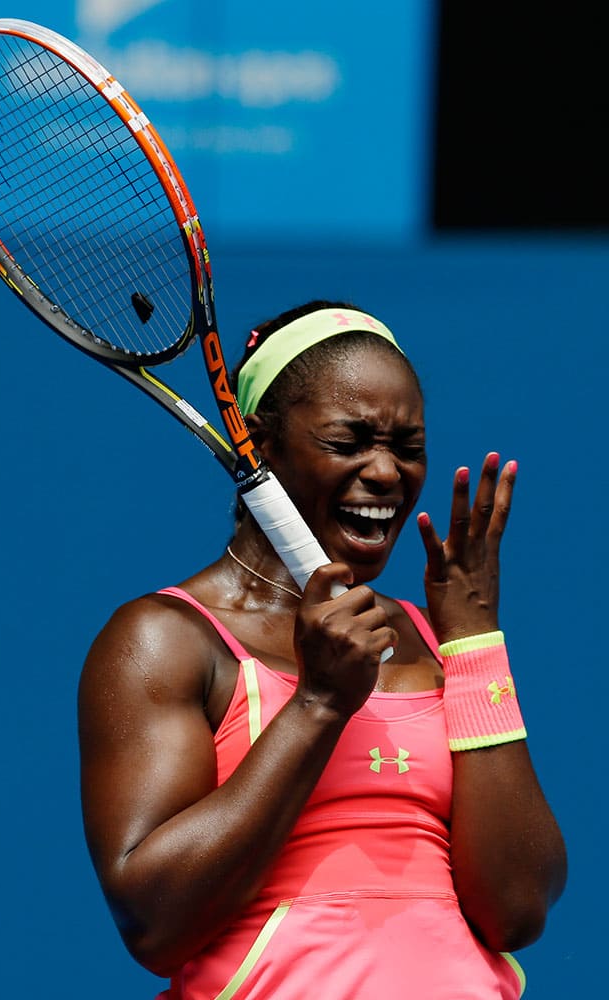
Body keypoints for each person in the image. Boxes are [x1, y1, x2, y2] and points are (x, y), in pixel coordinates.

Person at [78, 301, 567, 999]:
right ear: (258, 444)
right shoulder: (165, 641)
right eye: (350, 441)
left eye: (407, 446)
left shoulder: (433, 635)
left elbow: (517, 909)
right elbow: (155, 922)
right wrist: (317, 704)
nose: (387, 472)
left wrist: (474, 644)